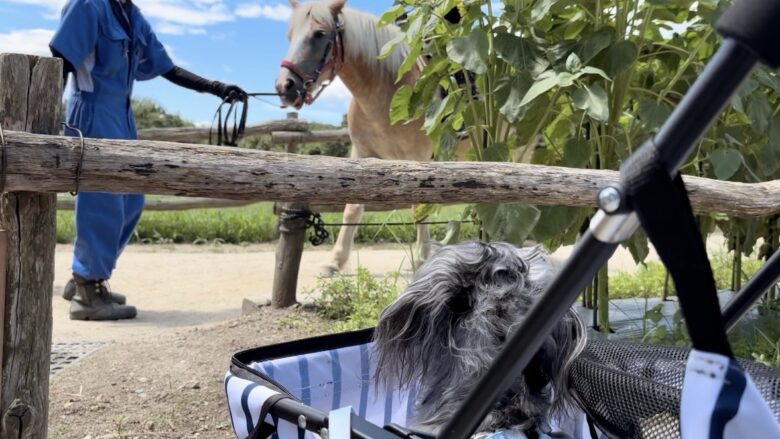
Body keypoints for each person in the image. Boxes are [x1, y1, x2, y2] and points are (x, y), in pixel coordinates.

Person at [50, 0, 247, 321]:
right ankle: (87, 292)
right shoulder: (88, 5)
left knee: (132, 201)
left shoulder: (130, 14)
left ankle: (86, 277)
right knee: (104, 202)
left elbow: (165, 66)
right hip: (93, 112)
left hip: (122, 118)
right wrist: (47, 116)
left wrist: (216, 87)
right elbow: (62, 61)